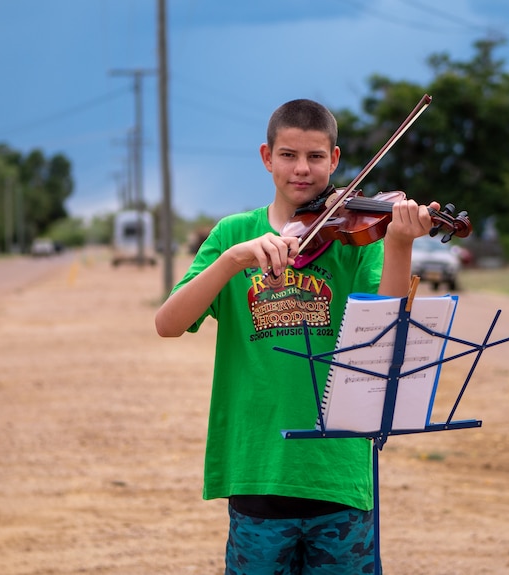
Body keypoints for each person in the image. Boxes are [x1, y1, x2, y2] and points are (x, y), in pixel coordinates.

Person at [154, 98, 440, 575]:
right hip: (258, 466)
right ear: (267, 157)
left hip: (338, 473)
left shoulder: (354, 240)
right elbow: (168, 324)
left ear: (336, 159)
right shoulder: (234, 234)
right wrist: (232, 261)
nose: (302, 169)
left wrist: (399, 244)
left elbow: (388, 328)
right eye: (288, 155)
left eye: (315, 157)